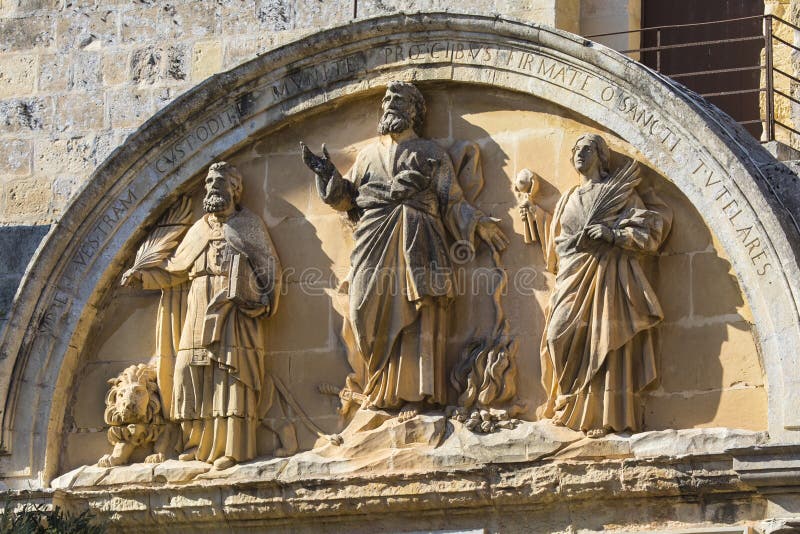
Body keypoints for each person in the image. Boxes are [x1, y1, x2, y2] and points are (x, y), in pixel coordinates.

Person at [301, 81, 508, 422]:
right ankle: (379, 389)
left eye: (398, 101)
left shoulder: (430, 153)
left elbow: (452, 201)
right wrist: (326, 173)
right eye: (387, 100)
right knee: (364, 307)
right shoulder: (367, 156)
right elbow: (347, 200)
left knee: (418, 315)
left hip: (420, 241)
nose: (389, 105)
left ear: (414, 111)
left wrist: (480, 223)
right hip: (373, 242)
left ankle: (418, 395)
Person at [122, 162, 293, 469]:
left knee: (231, 376)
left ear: (235, 190)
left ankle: (232, 449)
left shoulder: (249, 225)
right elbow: (176, 269)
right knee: (189, 370)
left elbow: (270, 268)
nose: (213, 186)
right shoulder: (199, 229)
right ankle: (196, 444)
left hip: (234, 310)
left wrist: (260, 298)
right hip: (199, 304)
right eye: (210, 182)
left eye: (221, 182)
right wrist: (143, 278)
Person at [525, 134, 672, 437]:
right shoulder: (568, 197)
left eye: (587, 149)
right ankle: (570, 404)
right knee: (557, 336)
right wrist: (537, 216)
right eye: (576, 149)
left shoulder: (618, 193)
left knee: (602, 338)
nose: (579, 153)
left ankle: (600, 416)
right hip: (572, 275)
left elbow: (649, 229)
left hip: (606, 275)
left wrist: (612, 235)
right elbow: (557, 245)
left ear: (601, 157)